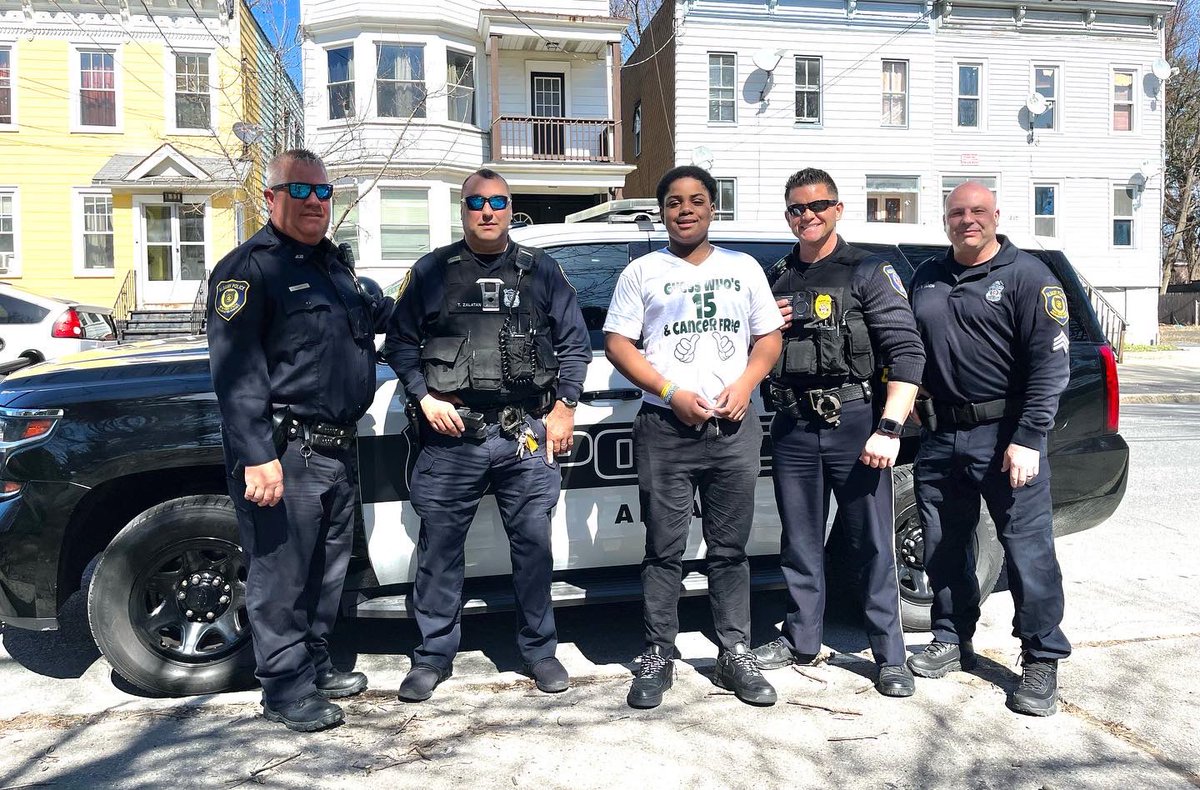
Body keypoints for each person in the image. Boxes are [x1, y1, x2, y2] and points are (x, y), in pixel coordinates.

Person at [383, 168, 590, 702]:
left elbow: (574, 343)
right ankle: (432, 656)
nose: (488, 211)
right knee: (440, 550)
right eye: (477, 202)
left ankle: (541, 652)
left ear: (510, 206)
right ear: (463, 208)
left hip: (524, 433)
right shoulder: (431, 272)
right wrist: (423, 397)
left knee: (533, 548)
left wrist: (565, 408)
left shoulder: (542, 271)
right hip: (454, 439)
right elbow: (399, 343)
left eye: (498, 201)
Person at [208, 149, 395, 732]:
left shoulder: (333, 269)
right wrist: (259, 457)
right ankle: (285, 691)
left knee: (325, 573)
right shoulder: (248, 271)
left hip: (338, 448)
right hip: (286, 451)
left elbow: (375, 319)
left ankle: (313, 666)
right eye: (301, 190)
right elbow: (236, 374)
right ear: (272, 197)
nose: (314, 201)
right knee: (281, 577)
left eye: (323, 192)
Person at [604, 165, 784, 709]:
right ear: (662, 211)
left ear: (712, 208)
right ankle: (658, 655)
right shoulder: (642, 272)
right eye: (675, 201)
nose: (686, 209)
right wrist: (669, 390)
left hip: (733, 426)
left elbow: (768, 338)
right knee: (663, 550)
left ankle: (735, 651)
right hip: (665, 427)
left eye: (697, 200)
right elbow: (618, 342)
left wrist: (746, 385)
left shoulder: (743, 267)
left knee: (730, 549)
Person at [750, 168, 925, 697]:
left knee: (871, 542)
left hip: (854, 423)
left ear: (838, 209)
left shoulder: (870, 272)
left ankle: (889, 655)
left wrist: (889, 427)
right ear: (788, 216)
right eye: (798, 209)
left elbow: (907, 352)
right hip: (793, 424)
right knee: (799, 541)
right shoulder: (774, 276)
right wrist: (766, 328)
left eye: (818, 205)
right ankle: (802, 637)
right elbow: (749, 348)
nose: (808, 216)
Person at [907, 181, 1072, 717]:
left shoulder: (1028, 277)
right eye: (957, 212)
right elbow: (908, 345)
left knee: (1027, 551)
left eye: (978, 211)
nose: (967, 220)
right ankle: (952, 639)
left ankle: (1042, 658)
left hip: (1007, 437)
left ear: (996, 215)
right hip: (942, 435)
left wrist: (1028, 438)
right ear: (946, 219)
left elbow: (1050, 366)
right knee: (943, 544)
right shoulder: (928, 275)